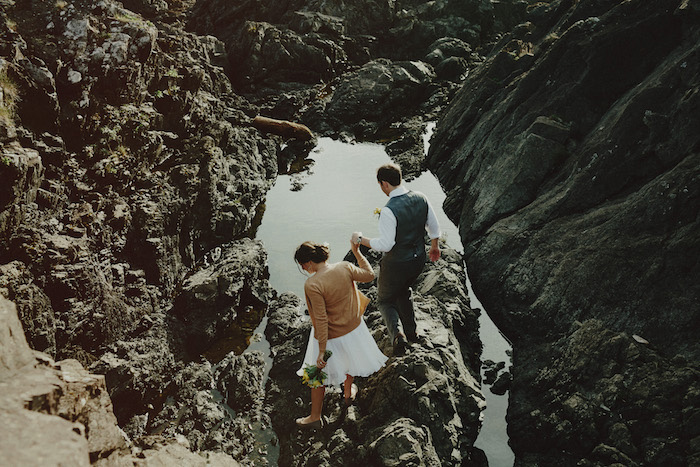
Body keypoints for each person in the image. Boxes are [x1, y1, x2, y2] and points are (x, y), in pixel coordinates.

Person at [294, 240, 388, 429]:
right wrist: (357, 252)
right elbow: (370, 275)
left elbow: (321, 319)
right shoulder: (344, 267)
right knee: (348, 359)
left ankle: (315, 417)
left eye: (303, 265)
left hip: (331, 336)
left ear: (309, 262)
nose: (304, 269)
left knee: (316, 375)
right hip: (354, 329)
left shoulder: (312, 284)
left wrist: (321, 351)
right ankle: (347, 393)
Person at [352, 163, 441, 356]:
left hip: (396, 264)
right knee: (403, 291)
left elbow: (386, 245)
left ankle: (397, 336)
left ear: (384, 184)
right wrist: (434, 246)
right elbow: (433, 226)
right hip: (418, 259)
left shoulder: (389, 210)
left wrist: (361, 239)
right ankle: (412, 331)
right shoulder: (421, 197)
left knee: (384, 300)